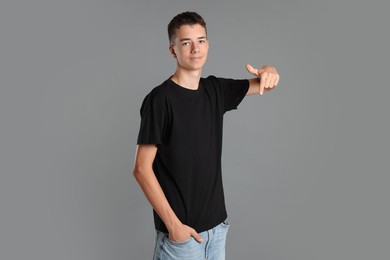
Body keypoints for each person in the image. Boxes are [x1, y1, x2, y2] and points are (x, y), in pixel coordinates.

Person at [133, 11, 279, 260]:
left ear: (208, 44)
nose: (195, 49)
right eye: (186, 42)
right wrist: (174, 227)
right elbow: (141, 169)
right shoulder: (159, 100)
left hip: (217, 230)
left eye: (201, 40)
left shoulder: (215, 90)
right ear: (172, 50)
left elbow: (264, 83)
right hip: (182, 238)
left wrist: (270, 70)